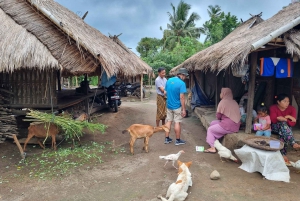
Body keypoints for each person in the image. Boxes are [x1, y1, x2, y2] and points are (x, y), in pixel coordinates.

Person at [204, 88, 241, 153]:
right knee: (213, 123)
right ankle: (214, 140)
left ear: (224, 94)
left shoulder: (223, 102)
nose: (220, 94)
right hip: (236, 126)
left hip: (227, 126)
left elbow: (218, 116)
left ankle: (212, 147)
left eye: (221, 93)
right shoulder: (234, 102)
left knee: (210, 129)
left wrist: (222, 118)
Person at [269, 93, 300, 164]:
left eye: (288, 101)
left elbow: (293, 123)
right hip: (275, 127)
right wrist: (289, 118)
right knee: (283, 125)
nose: (287, 103)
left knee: (283, 132)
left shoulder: (292, 109)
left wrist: (285, 118)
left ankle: (283, 155)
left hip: (286, 129)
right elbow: (274, 120)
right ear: (278, 102)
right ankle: (292, 142)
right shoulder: (273, 108)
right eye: (284, 101)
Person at [164, 68, 188, 145]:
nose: (185, 78)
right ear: (182, 75)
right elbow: (182, 97)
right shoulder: (182, 83)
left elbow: (165, 92)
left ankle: (167, 139)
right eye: (185, 76)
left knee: (169, 121)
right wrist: (184, 109)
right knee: (177, 122)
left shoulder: (169, 80)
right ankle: (177, 140)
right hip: (177, 106)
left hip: (169, 105)